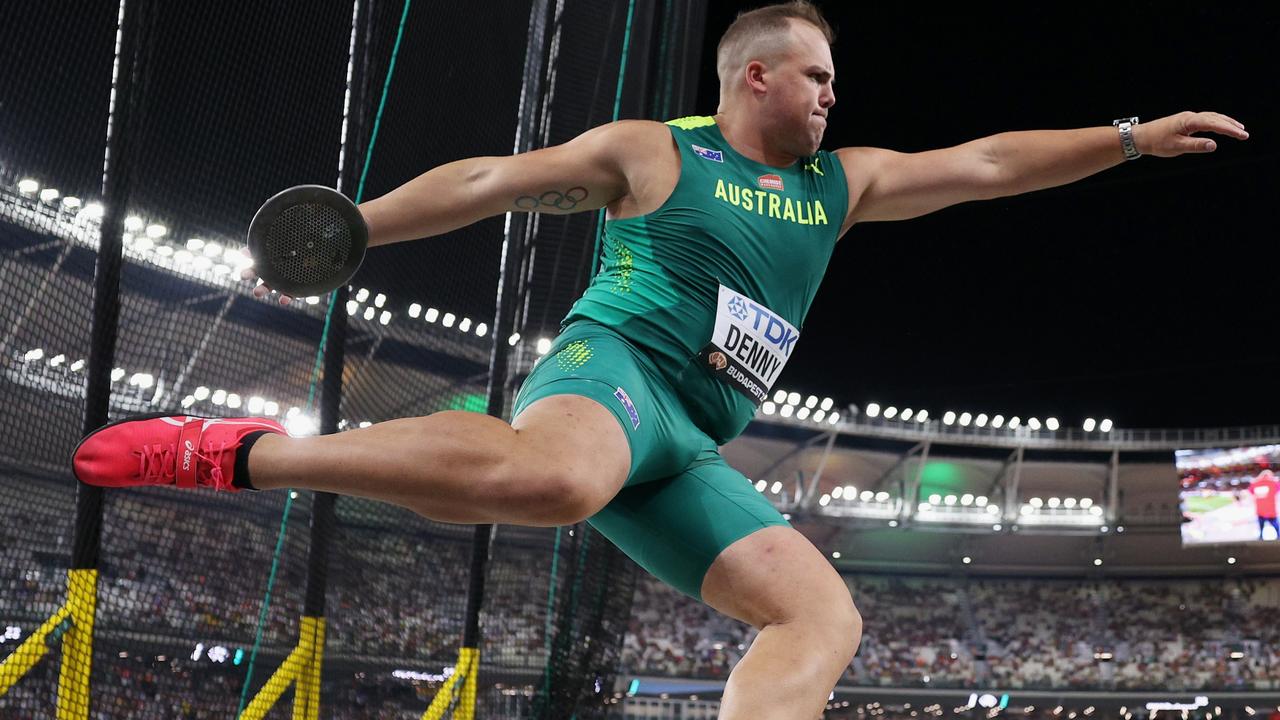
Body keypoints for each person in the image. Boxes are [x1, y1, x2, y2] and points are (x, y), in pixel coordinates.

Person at [72, 2, 1248, 717]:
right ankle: (243, 452)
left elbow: (988, 163)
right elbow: (492, 182)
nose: (836, 97)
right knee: (563, 479)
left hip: (692, 438)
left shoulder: (844, 186)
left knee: (817, 620)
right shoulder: (653, 152)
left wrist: (1130, 139)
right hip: (614, 372)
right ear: (757, 75)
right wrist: (361, 226)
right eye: (819, 76)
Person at [1248, 470, 1279, 541]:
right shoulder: (1273, 483)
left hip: (1260, 511)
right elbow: (1278, 489)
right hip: (1271, 511)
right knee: (1276, 528)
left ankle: (1261, 538)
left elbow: (1250, 491)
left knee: (1261, 527)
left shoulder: (1255, 484)